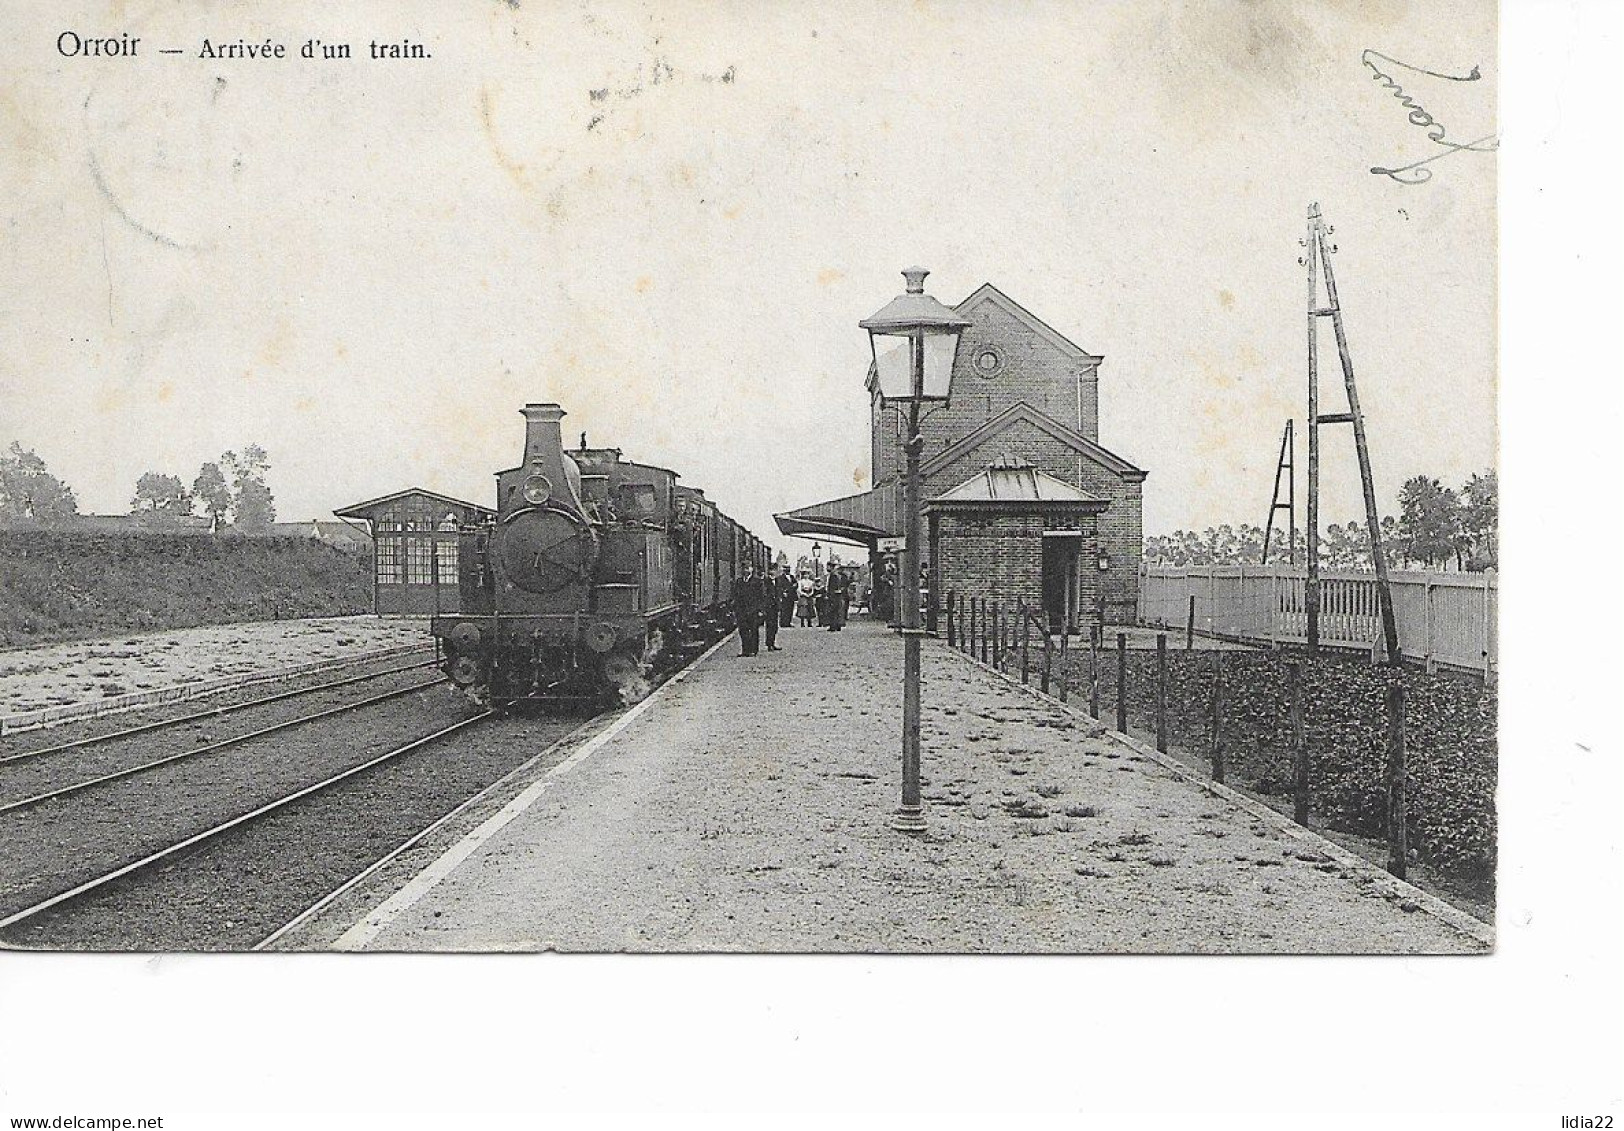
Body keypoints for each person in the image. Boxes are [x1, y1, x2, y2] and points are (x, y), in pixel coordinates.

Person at [734, 562, 767, 657]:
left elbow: (762, 597)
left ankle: (753, 650)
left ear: (752, 569)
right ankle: (745, 650)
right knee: (743, 631)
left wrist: (761, 610)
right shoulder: (739, 582)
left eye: (748, 568)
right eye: (744, 568)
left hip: (753, 610)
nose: (746, 570)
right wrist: (736, 609)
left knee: (753, 630)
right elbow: (736, 596)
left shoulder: (757, 582)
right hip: (742, 611)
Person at [775, 564, 797, 629]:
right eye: (786, 568)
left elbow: (796, 584)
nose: (787, 570)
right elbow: (779, 587)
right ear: (783, 570)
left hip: (791, 595)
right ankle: (783, 623)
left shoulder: (792, 577)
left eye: (788, 568)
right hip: (785, 595)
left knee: (790, 608)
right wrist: (782, 593)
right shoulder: (780, 578)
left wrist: (794, 586)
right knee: (784, 609)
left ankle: (788, 622)